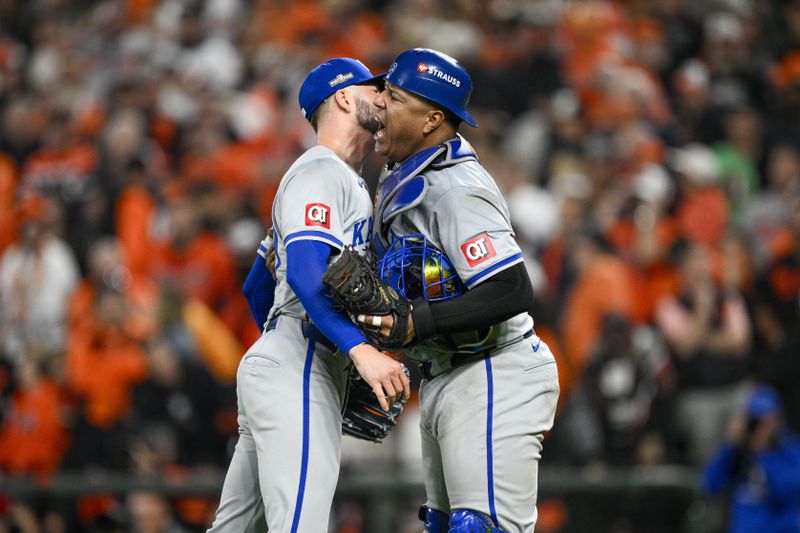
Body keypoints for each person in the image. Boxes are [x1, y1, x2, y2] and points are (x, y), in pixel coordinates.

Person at [207, 58, 410, 533]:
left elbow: (258, 284)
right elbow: (303, 269)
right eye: (374, 88)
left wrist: (280, 350)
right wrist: (354, 349)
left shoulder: (342, 181)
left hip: (287, 359)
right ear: (343, 97)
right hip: (299, 363)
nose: (384, 97)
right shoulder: (321, 170)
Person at [365, 48, 560, 532]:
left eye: (394, 96)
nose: (379, 104)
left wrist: (419, 320)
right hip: (447, 374)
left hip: (494, 370)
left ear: (432, 119)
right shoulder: (403, 177)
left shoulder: (456, 187)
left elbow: (511, 288)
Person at [703, 385, 800, 533]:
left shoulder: (791, 451)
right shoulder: (740, 452)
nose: (759, 428)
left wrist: (763, 453)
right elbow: (709, 485)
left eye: (763, 421)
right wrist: (729, 448)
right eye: (754, 422)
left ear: (778, 419)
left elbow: (786, 493)